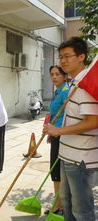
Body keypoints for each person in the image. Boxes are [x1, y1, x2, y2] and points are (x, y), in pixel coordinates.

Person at [43, 37, 98, 221]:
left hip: (80, 160)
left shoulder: (86, 85)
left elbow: (93, 122)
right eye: (61, 57)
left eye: (68, 56)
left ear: (81, 56)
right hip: (67, 155)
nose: (63, 61)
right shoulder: (73, 83)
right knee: (66, 202)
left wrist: (58, 131)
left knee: (82, 210)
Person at [44, 65, 69, 215]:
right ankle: (59, 203)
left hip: (62, 136)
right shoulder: (58, 91)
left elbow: (69, 117)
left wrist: (57, 131)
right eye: (52, 74)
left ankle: (61, 204)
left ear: (64, 76)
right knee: (55, 171)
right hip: (55, 134)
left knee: (58, 171)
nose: (54, 77)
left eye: (57, 74)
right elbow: (55, 115)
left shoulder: (66, 93)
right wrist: (49, 132)